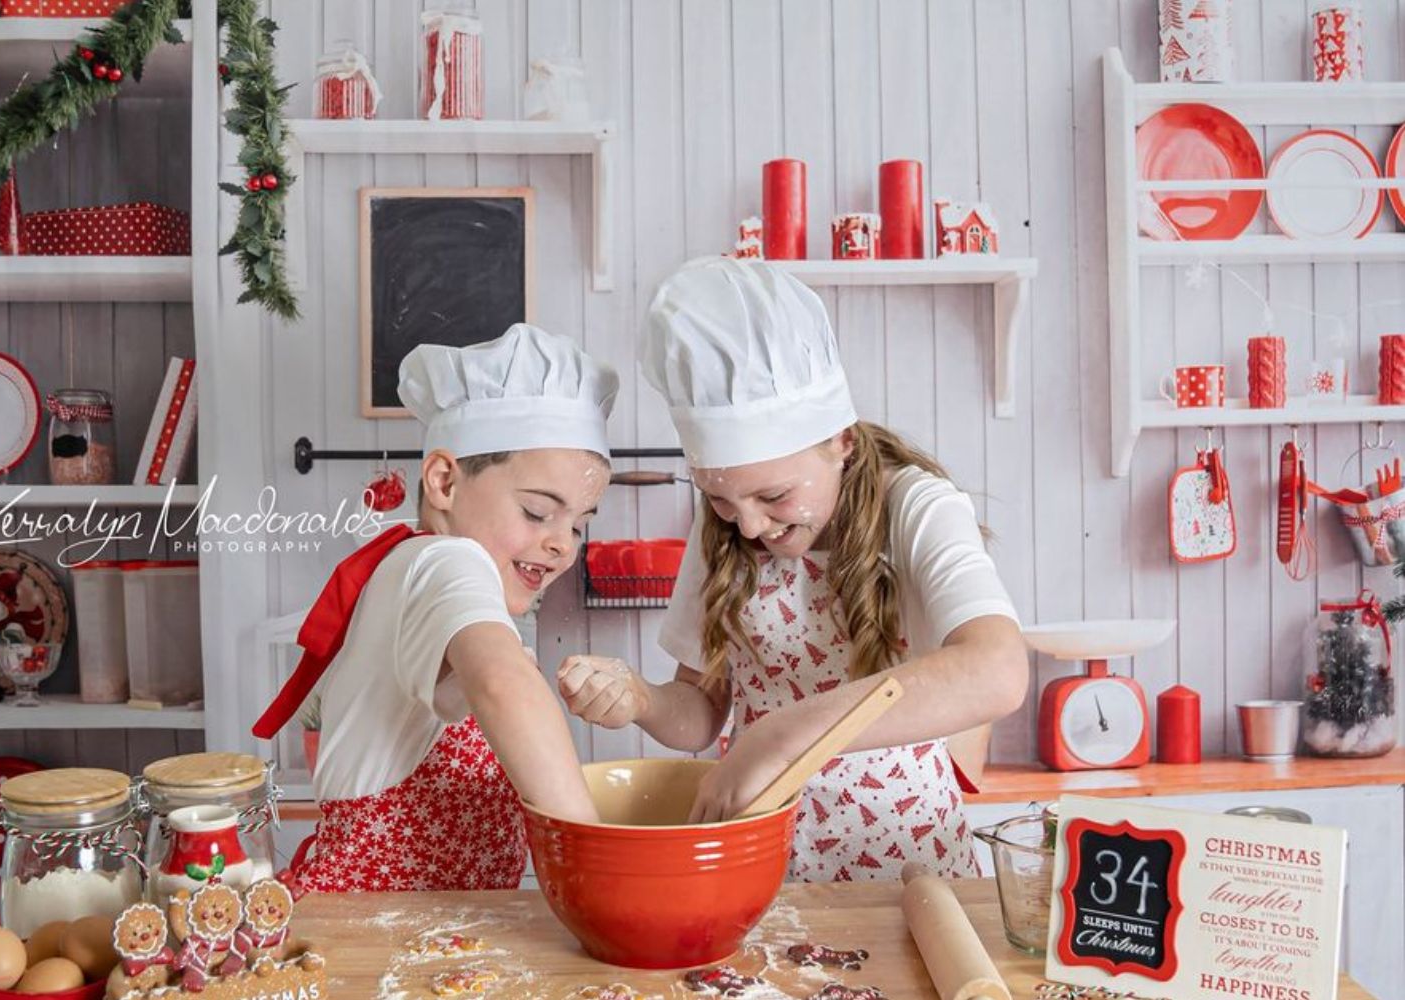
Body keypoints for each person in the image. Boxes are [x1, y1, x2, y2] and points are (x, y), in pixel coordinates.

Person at [558, 258, 1026, 881]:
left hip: (908, 865)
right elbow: (700, 711)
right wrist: (640, 699)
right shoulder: (725, 527)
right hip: (763, 859)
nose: (749, 526)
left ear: (842, 442)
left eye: (774, 496)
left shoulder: (915, 505)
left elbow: (996, 672)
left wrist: (778, 736)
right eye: (723, 498)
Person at [255, 323, 616, 892]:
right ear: (445, 481)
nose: (563, 544)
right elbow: (503, 686)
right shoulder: (447, 563)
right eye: (537, 511)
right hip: (373, 930)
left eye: (579, 524)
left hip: (414, 931)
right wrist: (599, 863)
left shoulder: (417, 570)